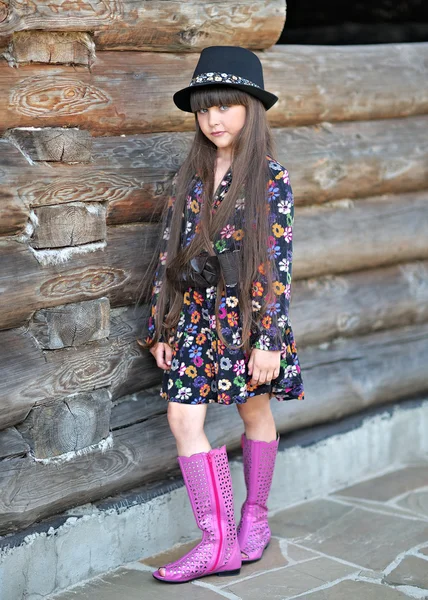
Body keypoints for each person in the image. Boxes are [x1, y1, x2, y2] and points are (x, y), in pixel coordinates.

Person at [137, 46, 304, 584]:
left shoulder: (270, 179)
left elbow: (276, 266)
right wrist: (161, 327)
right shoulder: (190, 177)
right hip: (191, 319)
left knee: (254, 411)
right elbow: (169, 253)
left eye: (227, 106)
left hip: (248, 324)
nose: (214, 118)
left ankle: (254, 517)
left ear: (252, 109)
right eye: (205, 107)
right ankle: (217, 543)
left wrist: (269, 340)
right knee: (183, 416)